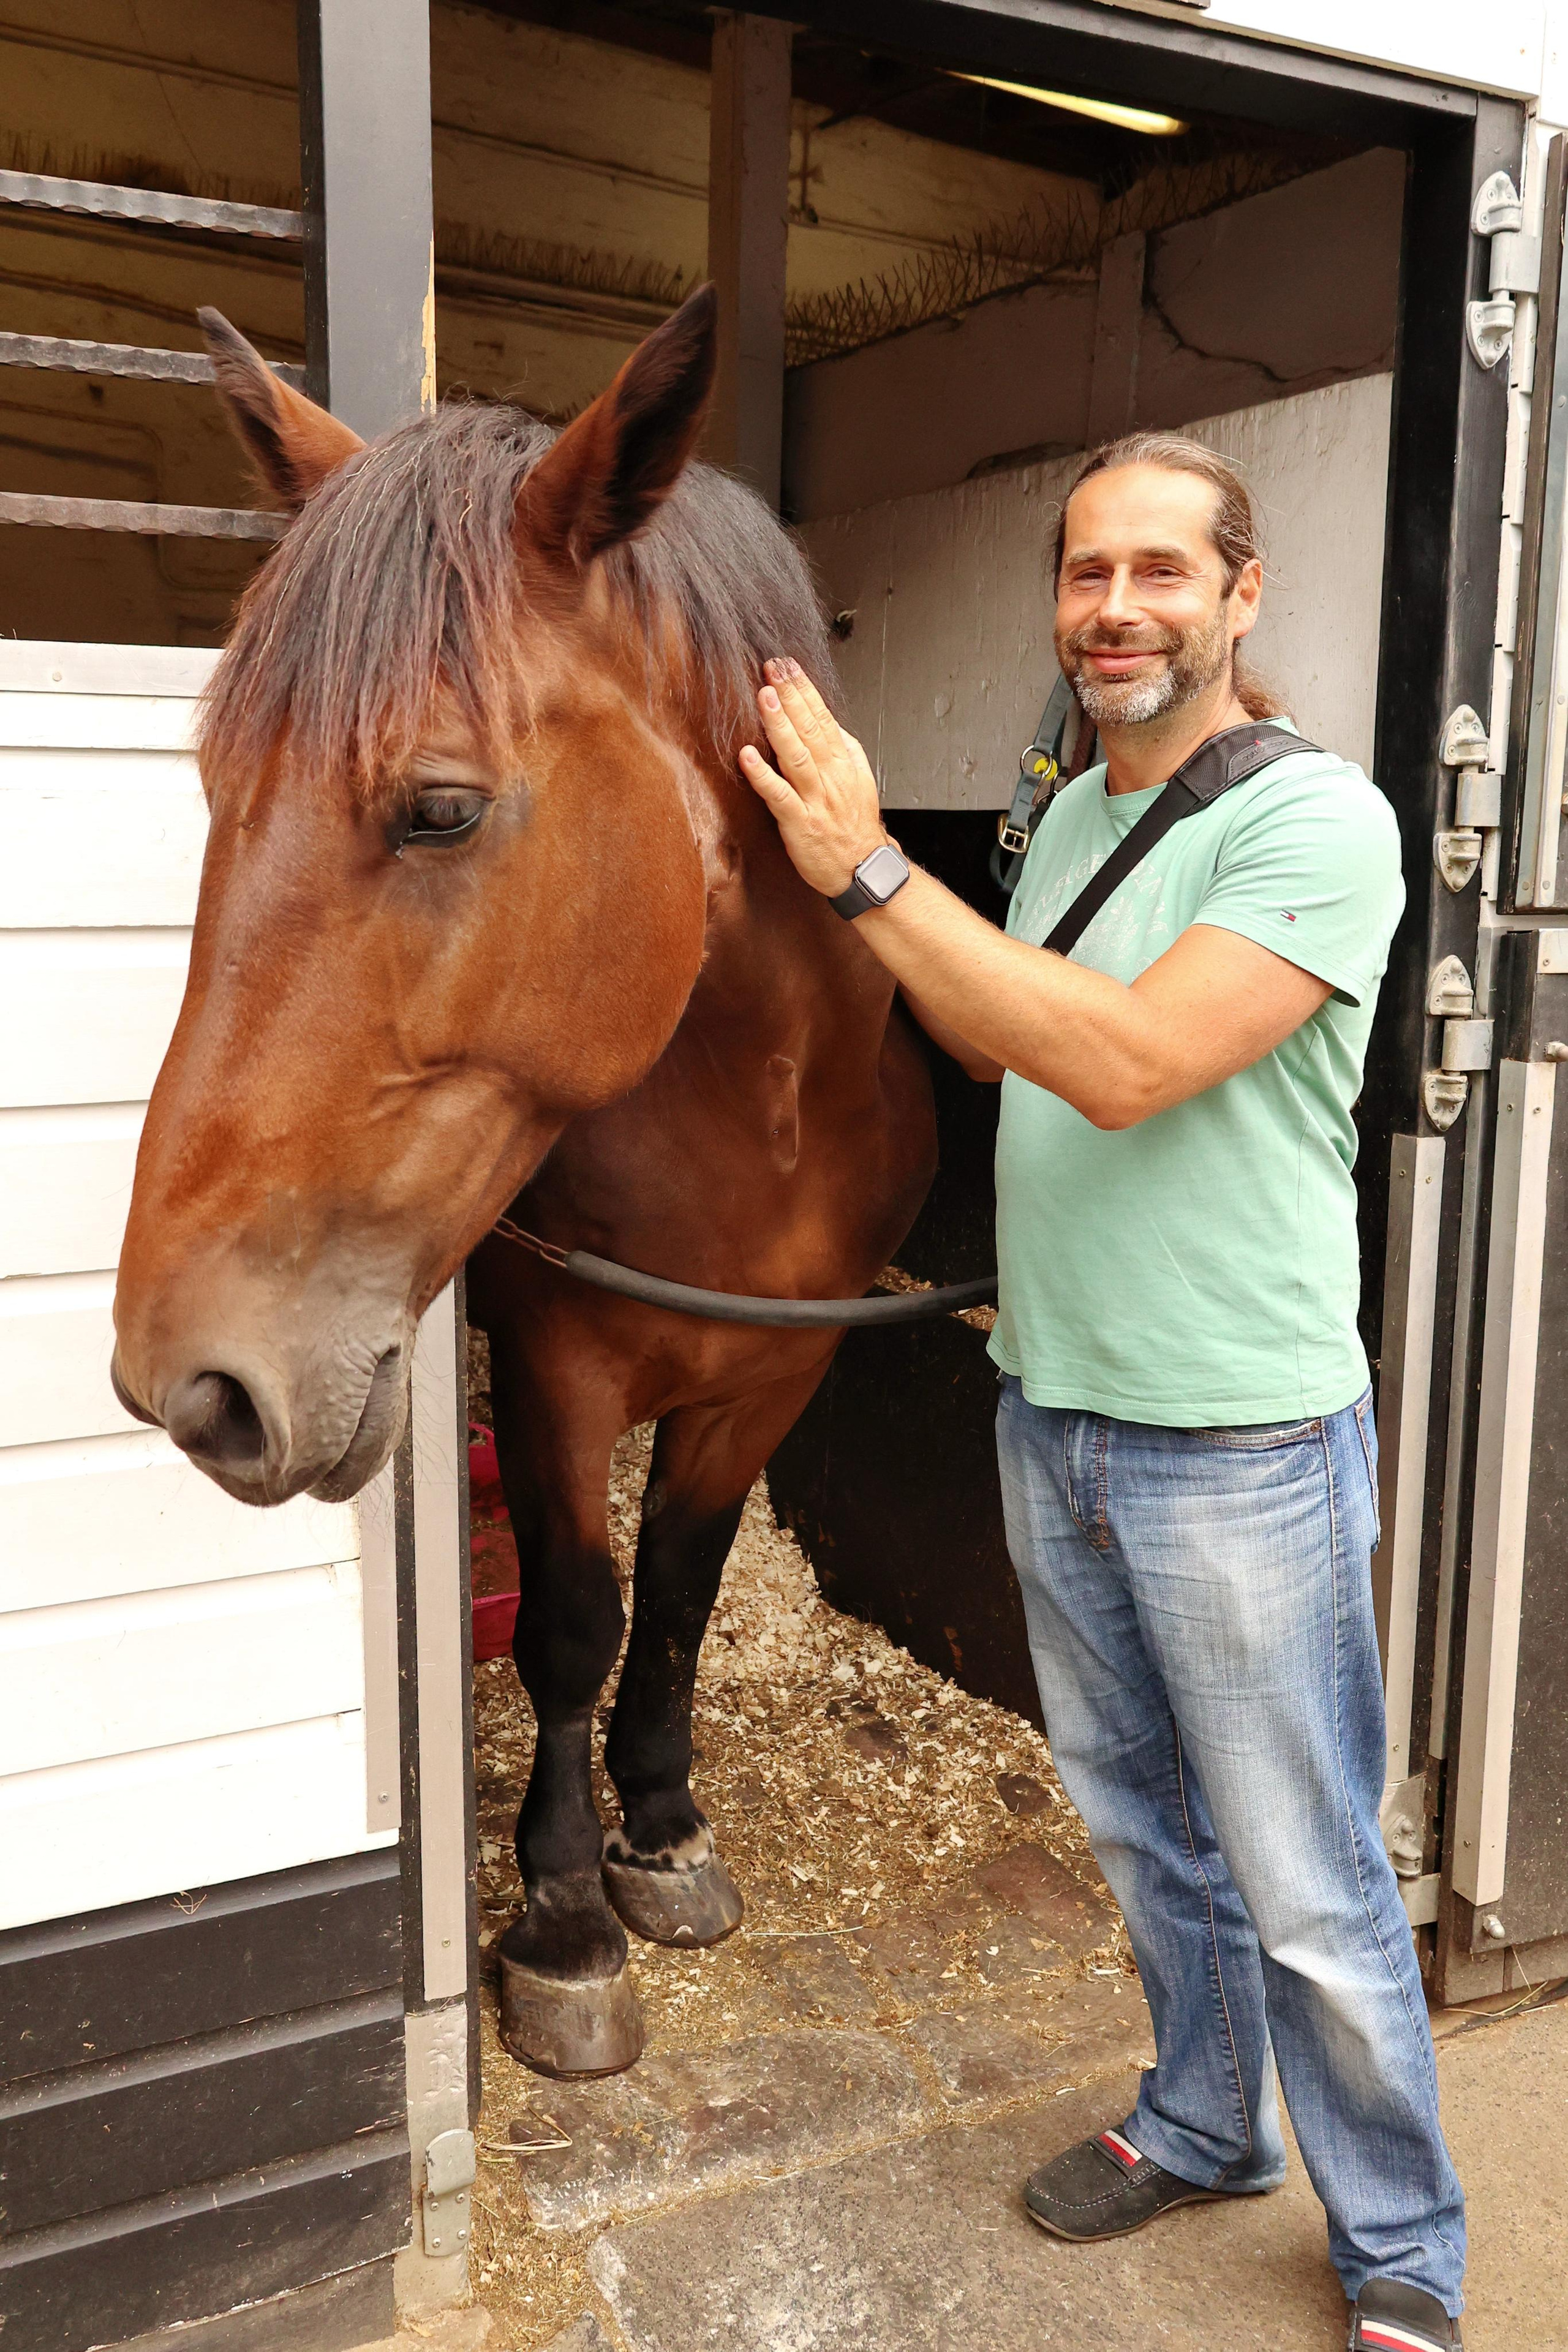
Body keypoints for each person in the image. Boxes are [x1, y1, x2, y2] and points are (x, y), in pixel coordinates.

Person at [738, 434, 1466, 2352]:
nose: (1116, 608)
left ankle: (1403, 2240)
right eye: (1086, 573)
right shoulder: (1066, 821)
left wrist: (868, 866)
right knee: (1144, 1828)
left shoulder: (1319, 823)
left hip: (1239, 1442)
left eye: (1161, 570)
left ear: (1241, 595)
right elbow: (1003, 1043)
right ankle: (1207, 2123)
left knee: (1307, 1875)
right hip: (1052, 1405)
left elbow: (1130, 1064)